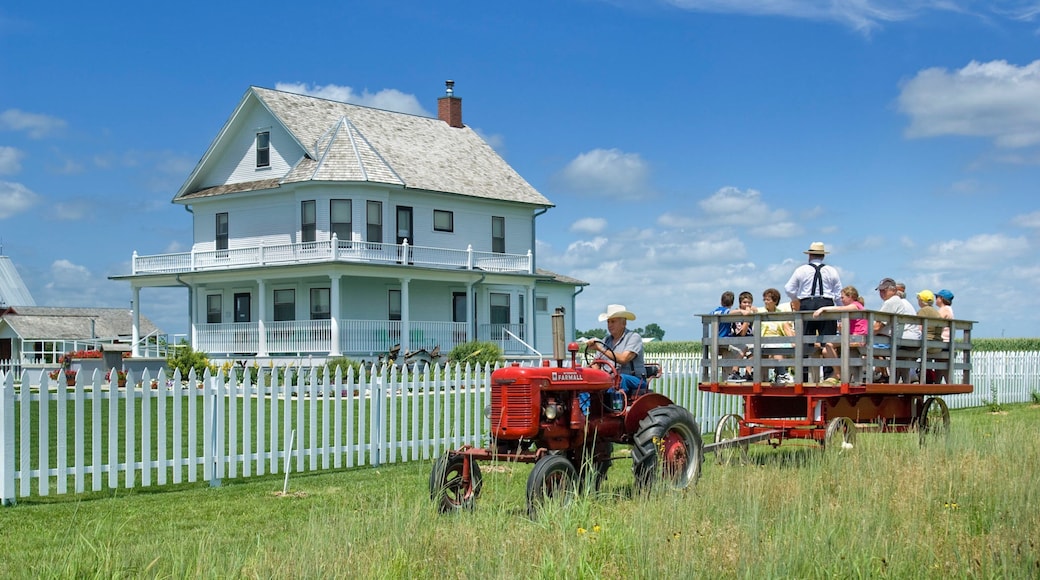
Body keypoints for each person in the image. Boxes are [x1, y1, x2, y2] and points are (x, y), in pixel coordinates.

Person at [784, 242, 843, 379]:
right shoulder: (832, 270)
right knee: (828, 341)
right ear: (823, 256)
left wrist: (796, 300)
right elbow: (838, 294)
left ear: (810, 255)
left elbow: (789, 288)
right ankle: (830, 376)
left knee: (804, 340)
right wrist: (839, 312)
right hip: (827, 303)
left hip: (807, 303)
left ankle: (803, 376)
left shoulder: (801, 270)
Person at [587, 304, 647, 400]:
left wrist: (600, 349)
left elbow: (624, 359)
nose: (609, 325)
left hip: (635, 379)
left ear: (623, 323)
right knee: (585, 383)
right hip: (610, 379)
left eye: (613, 322)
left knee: (620, 378)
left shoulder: (633, 337)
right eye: (608, 322)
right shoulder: (605, 340)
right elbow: (596, 364)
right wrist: (589, 372)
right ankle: (585, 411)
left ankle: (611, 406)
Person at [812, 285, 867, 384]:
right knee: (825, 351)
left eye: (843, 297)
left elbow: (841, 308)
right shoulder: (856, 306)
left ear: (850, 296)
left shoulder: (855, 305)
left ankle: (838, 374)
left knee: (829, 345)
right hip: (851, 337)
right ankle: (838, 373)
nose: (841, 300)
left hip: (857, 338)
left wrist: (823, 309)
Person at [873, 277, 917, 383]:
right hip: (899, 337)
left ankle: (881, 374)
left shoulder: (890, 302)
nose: (881, 293)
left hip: (893, 339)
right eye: (880, 290)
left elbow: (877, 327)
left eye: (884, 290)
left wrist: (864, 335)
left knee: (864, 344)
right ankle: (883, 374)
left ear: (893, 290)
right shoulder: (898, 301)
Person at [759, 288, 794, 384]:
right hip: (764, 339)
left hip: (780, 339)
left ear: (775, 301)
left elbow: (786, 326)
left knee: (794, 347)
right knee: (776, 347)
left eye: (768, 299)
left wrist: (793, 341)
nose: (766, 302)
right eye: (764, 299)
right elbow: (751, 310)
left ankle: (788, 373)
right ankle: (782, 374)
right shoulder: (760, 311)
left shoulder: (780, 312)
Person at [935, 288, 956, 384]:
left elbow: (936, 323)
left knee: (940, 364)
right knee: (941, 365)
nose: (936, 299)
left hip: (943, 341)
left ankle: (940, 382)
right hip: (947, 341)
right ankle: (941, 382)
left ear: (941, 298)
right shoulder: (949, 309)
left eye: (937, 297)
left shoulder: (944, 310)